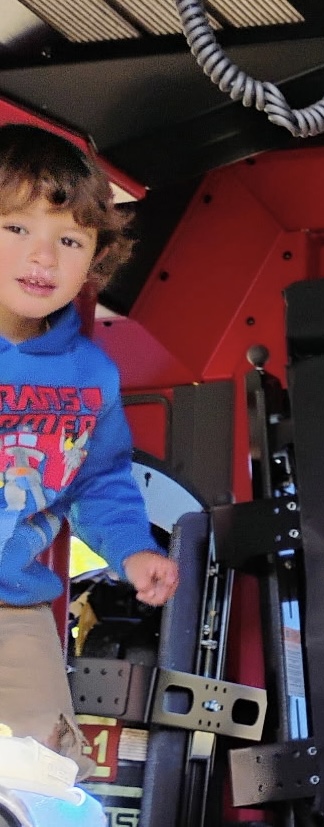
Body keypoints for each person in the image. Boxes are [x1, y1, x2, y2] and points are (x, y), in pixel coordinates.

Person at [0, 123, 180, 772]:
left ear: (94, 256)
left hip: (12, 607)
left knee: (41, 778)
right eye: (16, 228)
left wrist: (132, 549)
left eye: (69, 239)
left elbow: (98, 480)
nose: (42, 258)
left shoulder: (86, 377)